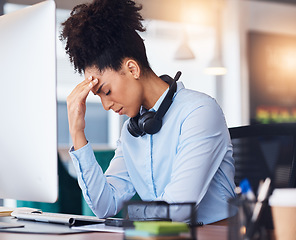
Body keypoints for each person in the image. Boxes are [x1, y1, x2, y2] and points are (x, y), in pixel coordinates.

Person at [60, 0, 236, 225]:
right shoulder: (132, 131)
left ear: (132, 68)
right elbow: (104, 206)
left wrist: (130, 215)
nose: (105, 105)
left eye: (106, 91)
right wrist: (77, 131)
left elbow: (177, 211)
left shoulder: (199, 112)